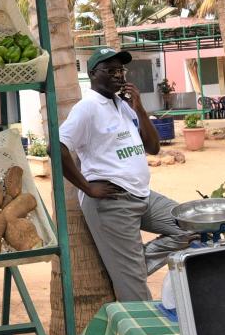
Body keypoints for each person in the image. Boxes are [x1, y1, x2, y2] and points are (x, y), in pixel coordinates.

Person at [59, 48, 194, 301]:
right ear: (91, 74)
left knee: (190, 228)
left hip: (141, 195)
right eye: (109, 71)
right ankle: (138, 318)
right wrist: (88, 188)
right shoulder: (87, 108)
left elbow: (153, 148)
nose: (118, 76)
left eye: (121, 70)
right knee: (135, 293)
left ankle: (131, 268)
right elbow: (57, 147)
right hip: (112, 203)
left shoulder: (123, 105)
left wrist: (140, 108)